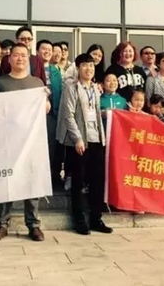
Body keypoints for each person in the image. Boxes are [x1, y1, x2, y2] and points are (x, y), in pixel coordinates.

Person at [0, 43, 49, 243]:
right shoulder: (0, 83)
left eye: (24, 55)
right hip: (6, 142)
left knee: (32, 184)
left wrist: (45, 101)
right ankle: (1, 225)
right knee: (5, 183)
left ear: (28, 59)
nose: (20, 58)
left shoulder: (37, 83)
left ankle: (33, 225)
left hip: (31, 142)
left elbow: (46, 109)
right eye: (16, 55)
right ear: (10, 58)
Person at [57, 53, 112, 236]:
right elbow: (68, 115)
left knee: (97, 180)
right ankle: (79, 220)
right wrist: (78, 138)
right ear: (78, 68)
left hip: (96, 139)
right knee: (79, 181)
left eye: (91, 66)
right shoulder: (71, 88)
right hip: (80, 141)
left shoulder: (95, 88)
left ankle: (96, 218)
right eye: (85, 65)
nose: (89, 69)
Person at [36, 39, 63, 187]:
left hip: (53, 113)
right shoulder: (32, 67)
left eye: (49, 50)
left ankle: (52, 177)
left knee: (52, 146)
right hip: (36, 114)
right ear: (37, 51)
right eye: (43, 49)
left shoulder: (56, 71)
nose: (47, 52)